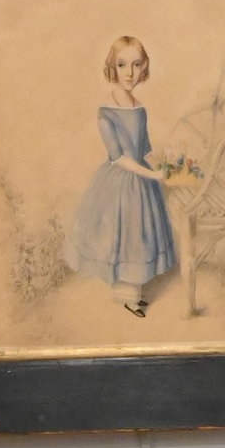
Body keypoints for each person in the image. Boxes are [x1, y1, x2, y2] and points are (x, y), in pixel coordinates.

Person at [71, 36, 178, 317]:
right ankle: (128, 296)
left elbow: (144, 148)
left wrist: (165, 165)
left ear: (144, 67)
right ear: (112, 68)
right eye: (122, 65)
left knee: (141, 237)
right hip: (121, 182)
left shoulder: (139, 107)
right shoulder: (106, 112)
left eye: (136, 64)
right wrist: (153, 175)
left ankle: (132, 293)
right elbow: (118, 157)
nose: (129, 72)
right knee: (126, 236)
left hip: (142, 179)